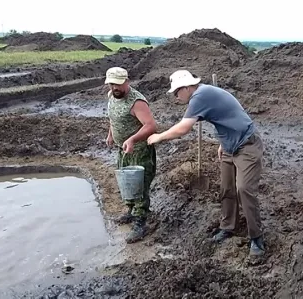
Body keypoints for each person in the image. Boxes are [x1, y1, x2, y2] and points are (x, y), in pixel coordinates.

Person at [146, 70, 266, 257]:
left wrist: (159, 137)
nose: (176, 97)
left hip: (246, 145)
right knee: (227, 188)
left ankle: (256, 237)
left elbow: (184, 128)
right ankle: (228, 226)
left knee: (244, 189)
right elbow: (225, 116)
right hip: (229, 145)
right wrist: (223, 142)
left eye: (177, 92)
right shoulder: (204, 93)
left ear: (186, 87)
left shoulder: (200, 96)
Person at [105, 66, 158, 243]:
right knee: (126, 183)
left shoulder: (137, 102)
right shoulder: (111, 96)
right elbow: (113, 118)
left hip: (139, 150)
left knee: (139, 185)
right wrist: (111, 134)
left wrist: (133, 139)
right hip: (123, 148)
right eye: (112, 84)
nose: (115, 88)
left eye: (118, 84)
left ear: (127, 82)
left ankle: (140, 222)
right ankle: (130, 211)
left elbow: (150, 126)